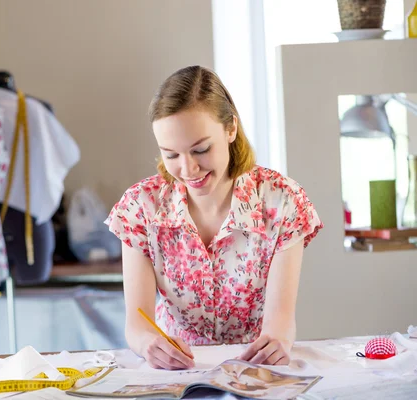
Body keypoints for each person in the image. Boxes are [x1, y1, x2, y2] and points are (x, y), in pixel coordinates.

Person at [105, 65, 322, 370]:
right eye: (171, 155)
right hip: (175, 376)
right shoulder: (141, 207)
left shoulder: (282, 201)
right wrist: (149, 344)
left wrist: (277, 343)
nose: (188, 169)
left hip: (255, 371)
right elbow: (137, 323)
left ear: (231, 128)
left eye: (201, 149)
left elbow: (280, 323)